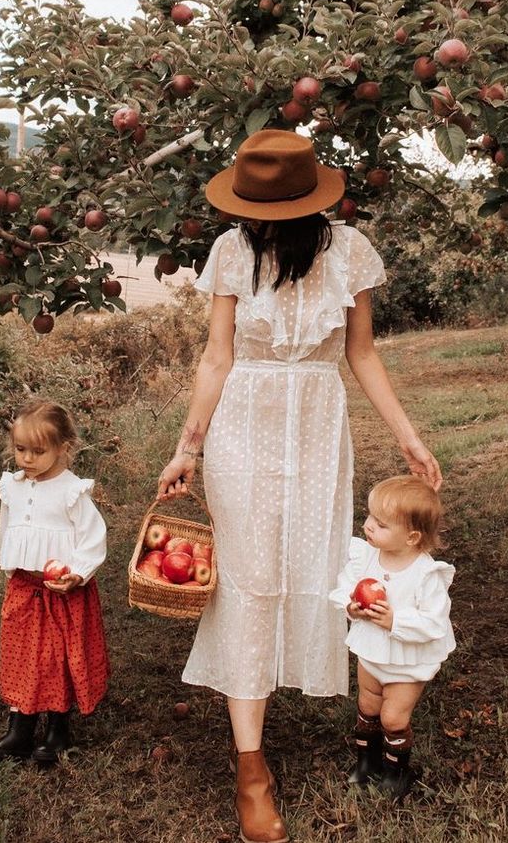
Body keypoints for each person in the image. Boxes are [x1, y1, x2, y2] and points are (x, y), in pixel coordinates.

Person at [157, 129, 441, 843]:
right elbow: (217, 358)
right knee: (246, 583)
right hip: (244, 426)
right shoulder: (230, 251)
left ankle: (365, 726)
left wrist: (408, 435)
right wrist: (187, 446)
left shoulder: (349, 251)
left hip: (317, 427)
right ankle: (250, 766)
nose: (259, 221)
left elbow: (361, 351)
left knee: (314, 571)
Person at [0, 400, 109, 765]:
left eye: (38, 451)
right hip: (24, 588)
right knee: (22, 656)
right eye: (21, 449)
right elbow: (10, 527)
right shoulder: (13, 487)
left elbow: (92, 537)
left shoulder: (71, 491)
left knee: (56, 657)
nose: (27, 459)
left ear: (63, 448)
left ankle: (58, 729)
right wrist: (9, 561)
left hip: (61, 592)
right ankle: (20, 728)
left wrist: (76, 574)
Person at [329, 475, 455, 801]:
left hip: (406, 661)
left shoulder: (425, 574)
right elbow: (346, 584)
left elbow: (434, 623)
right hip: (372, 653)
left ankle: (396, 772)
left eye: (381, 525)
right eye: (370, 517)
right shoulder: (367, 556)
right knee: (367, 704)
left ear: (412, 537)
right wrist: (352, 606)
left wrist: (395, 620)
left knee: (392, 717)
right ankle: (366, 762)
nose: (369, 526)